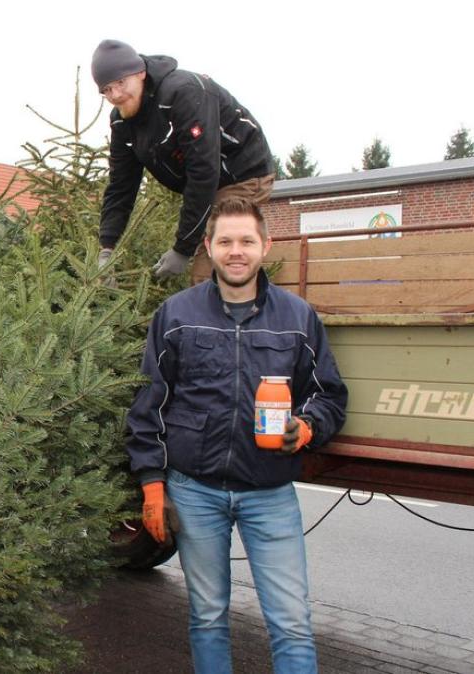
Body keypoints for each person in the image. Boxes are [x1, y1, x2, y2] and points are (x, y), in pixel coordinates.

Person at [123, 198, 347, 672]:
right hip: (194, 491)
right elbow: (149, 405)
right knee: (207, 617)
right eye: (225, 241)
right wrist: (152, 484)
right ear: (208, 248)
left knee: (291, 622)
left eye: (246, 240)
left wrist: (306, 427)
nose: (236, 251)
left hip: (270, 494)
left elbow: (329, 394)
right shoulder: (176, 314)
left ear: (265, 246)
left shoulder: (298, 318)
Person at [91, 39, 275, 280]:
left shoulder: (184, 92)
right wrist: (107, 248)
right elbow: (121, 186)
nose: (115, 94)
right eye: (106, 90)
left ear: (141, 73)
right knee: (209, 259)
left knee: (211, 266)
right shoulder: (121, 121)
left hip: (243, 172)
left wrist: (182, 249)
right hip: (208, 181)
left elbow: (204, 172)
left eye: (120, 83)